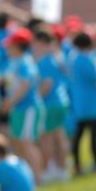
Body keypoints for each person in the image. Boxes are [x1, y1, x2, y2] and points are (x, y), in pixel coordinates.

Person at [0, 28, 44, 182]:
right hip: (18, 108)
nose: (7, 48)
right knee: (17, 143)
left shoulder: (25, 62)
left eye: (10, 45)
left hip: (28, 108)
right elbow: (3, 79)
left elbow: (24, 85)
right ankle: (26, 177)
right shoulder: (14, 62)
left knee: (26, 143)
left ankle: (37, 178)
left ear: (18, 46)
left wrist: (9, 102)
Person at [32, 28, 71, 182]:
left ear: (41, 42)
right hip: (59, 101)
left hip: (51, 103)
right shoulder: (53, 58)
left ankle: (49, 169)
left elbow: (47, 84)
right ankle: (60, 169)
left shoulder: (46, 60)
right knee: (58, 136)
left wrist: (37, 99)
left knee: (47, 138)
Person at [68, 30, 96, 176]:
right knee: (94, 136)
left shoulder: (73, 58)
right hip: (91, 104)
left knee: (78, 136)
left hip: (80, 103)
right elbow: (94, 76)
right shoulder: (86, 59)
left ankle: (77, 165)